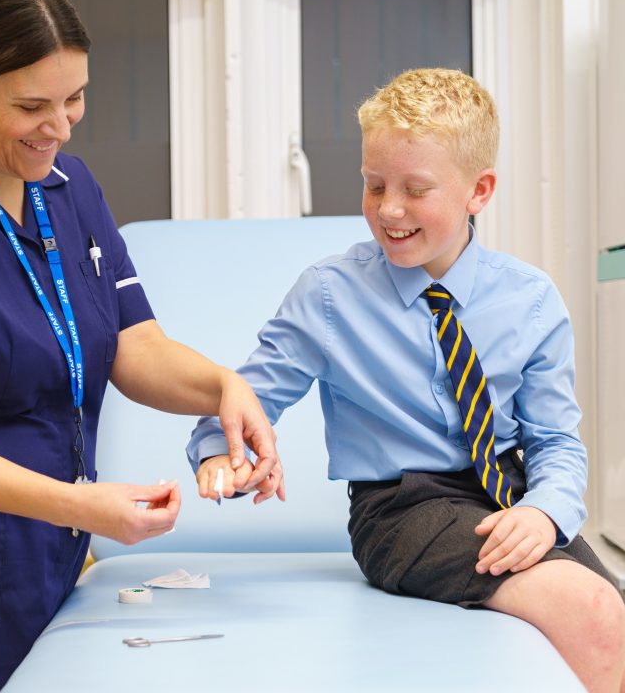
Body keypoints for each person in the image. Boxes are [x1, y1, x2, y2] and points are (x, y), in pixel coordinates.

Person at [0, 0, 280, 693]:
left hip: (52, 567)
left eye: (75, 98)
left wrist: (222, 387)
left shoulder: (67, 186)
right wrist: (80, 504)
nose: (58, 127)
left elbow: (130, 343)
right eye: (30, 108)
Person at [189, 68, 625, 692]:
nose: (389, 209)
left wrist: (545, 512)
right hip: (400, 510)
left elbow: (556, 442)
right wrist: (221, 456)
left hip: (508, 494)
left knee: (611, 614)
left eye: (415, 189)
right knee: (591, 610)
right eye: (373, 186)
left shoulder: (531, 301)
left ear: (480, 190)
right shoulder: (331, 295)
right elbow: (243, 400)